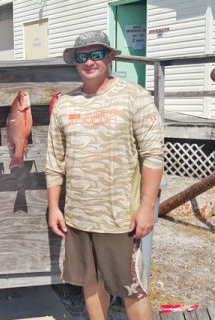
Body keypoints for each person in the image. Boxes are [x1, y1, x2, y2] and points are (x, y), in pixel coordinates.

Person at [45, 30, 164, 320]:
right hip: (79, 216)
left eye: (96, 54)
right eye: (81, 57)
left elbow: (154, 155)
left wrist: (146, 208)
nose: (89, 62)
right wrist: (53, 207)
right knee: (90, 282)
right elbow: (54, 162)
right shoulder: (64, 105)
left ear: (109, 57)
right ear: (74, 62)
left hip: (120, 218)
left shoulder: (134, 96)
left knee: (132, 288)